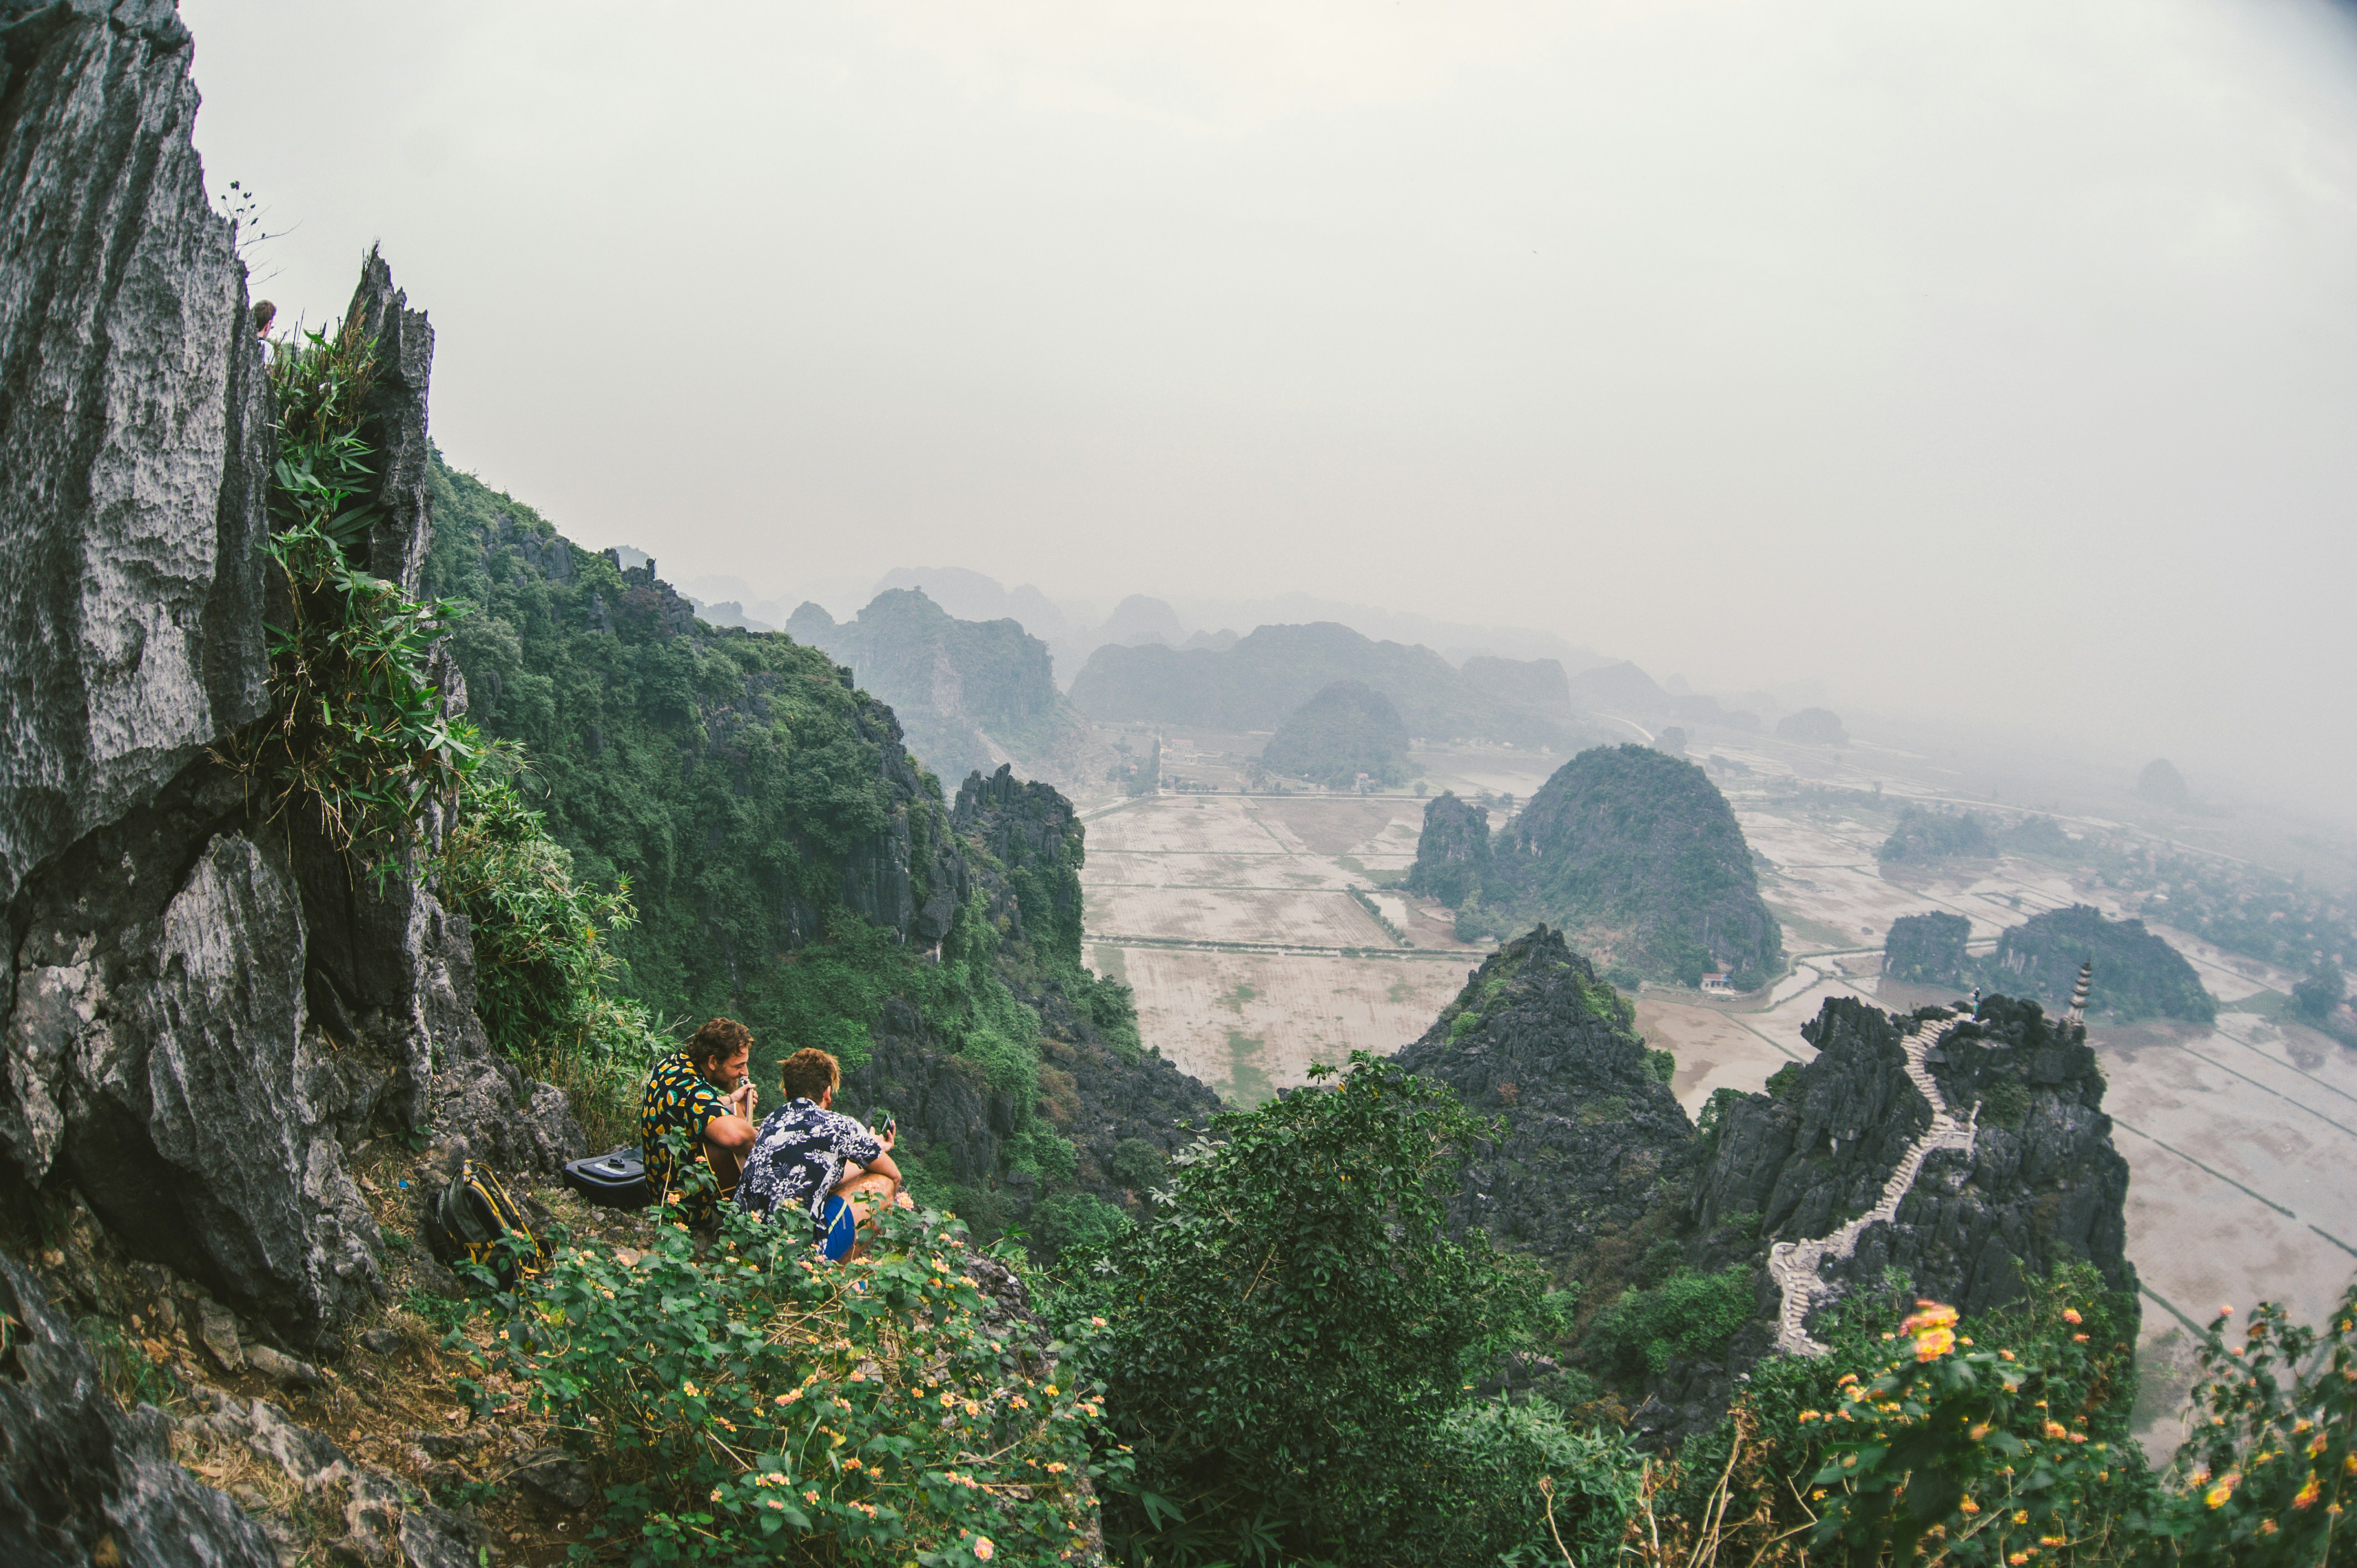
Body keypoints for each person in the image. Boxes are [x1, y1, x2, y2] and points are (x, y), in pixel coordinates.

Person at [735, 1048, 912, 1257]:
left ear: (786, 1094)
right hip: (793, 1257)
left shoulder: (771, 1120)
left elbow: (821, 1169)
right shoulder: (841, 1125)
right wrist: (875, 1156)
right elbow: (894, 1175)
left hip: (743, 1241)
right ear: (827, 1092)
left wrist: (875, 1148)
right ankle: (837, 1277)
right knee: (883, 1184)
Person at [640, 1018, 760, 1222]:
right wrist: (766, 1142)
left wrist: (731, 1101)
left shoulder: (672, 1065)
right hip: (688, 1209)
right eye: (738, 1065)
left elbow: (685, 1108)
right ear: (713, 1062)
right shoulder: (695, 1091)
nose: (745, 1073)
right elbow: (739, 1139)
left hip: (659, 1190)